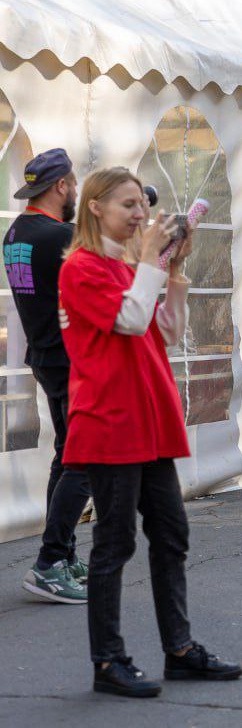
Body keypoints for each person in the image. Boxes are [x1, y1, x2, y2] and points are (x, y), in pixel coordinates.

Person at [58, 166, 242, 697]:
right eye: (128, 205)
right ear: (95, 207)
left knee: (171, 535)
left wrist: (174, 272)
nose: (141, 215)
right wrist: (147, 264)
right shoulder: (82, 268)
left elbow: (164, 330)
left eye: (142, 204)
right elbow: (131, 322)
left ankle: (179, 650)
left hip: (149, 421)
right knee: (113, 544)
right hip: (111, 423)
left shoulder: (124, 266)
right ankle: (108, 661)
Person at [4, 150, 91, 604]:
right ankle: (50, 562)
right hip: (71, 358)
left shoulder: (16, 232)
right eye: (74, 186)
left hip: (43, 355)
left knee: (66, 451)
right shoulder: (61, 236)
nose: (75, 192)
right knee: (85, 458)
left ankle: (65, 553)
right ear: (60, 187)